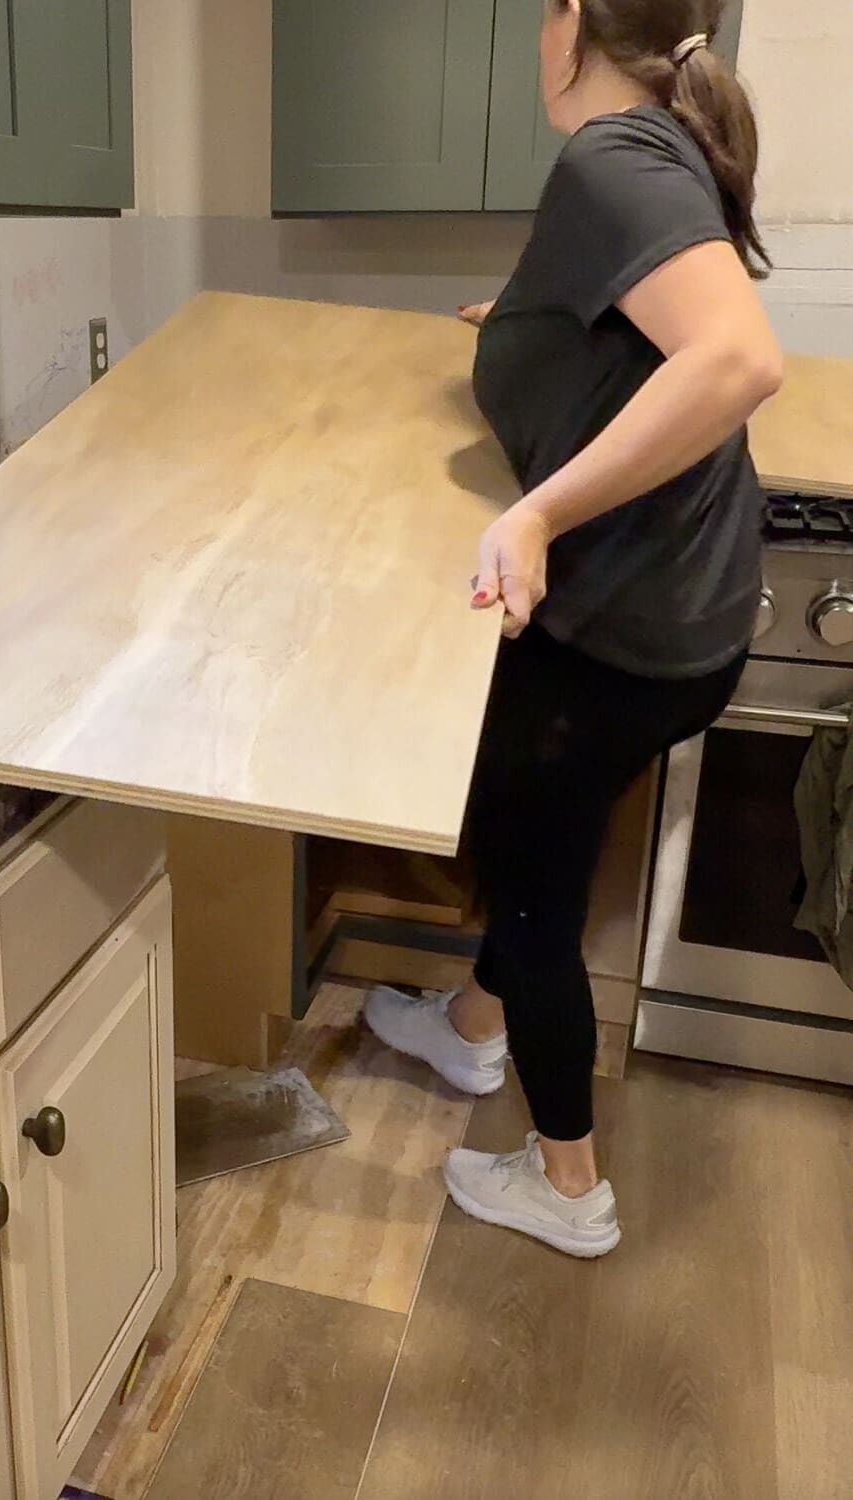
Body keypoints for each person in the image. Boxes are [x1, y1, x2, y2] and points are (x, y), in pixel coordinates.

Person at [364, 0, 783, 1258]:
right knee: (545, 839)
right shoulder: (658, 134)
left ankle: (567, 1188)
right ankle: (471, 1031)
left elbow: (734, 359)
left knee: (532, 888)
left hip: (621, 626)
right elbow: (638, 327)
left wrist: (537, 513)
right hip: (688, 613)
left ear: (570, 25)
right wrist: (532, 333)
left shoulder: (610, 156)